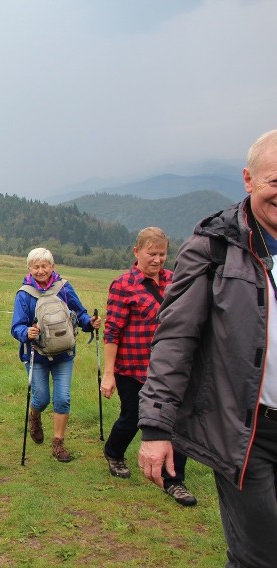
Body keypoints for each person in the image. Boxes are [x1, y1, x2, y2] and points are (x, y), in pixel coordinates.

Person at [138, 130, 277, 567]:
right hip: (245, 431)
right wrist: (157, 429)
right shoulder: (215, 246)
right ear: (248, 180)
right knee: (259, 553)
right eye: (276, 181)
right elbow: (176, 338)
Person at [100, 228, 196, 506]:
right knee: (132, 417)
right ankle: (114, 452)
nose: (157, 259)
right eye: (151, 253)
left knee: (175, 423)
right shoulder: (123, 285)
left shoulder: (175, 281)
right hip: (132, 367)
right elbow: (112, 331)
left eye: (162, 254)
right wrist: (109, 374)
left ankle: (174, 481)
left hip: (169, 369)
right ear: (136, 252)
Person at [11, 248, 100, 462]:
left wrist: (89, 323)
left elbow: (80, 313)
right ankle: (35, 416)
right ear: (29, 269)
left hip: (64, 354)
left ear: (52, 266)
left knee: (63, 399)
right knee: (41, 399)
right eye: (36, 266)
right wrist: (26, 332)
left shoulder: (65, 288)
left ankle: (58, 444)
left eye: (44, 266)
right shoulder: (24, 294)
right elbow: (16, 327)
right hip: (37, 355)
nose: (40, 271)